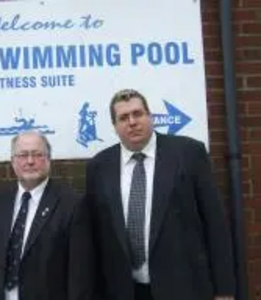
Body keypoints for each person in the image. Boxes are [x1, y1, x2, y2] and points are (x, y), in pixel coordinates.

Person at [86, 89, 235, 300]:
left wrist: (224, 290)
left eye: (137, 114)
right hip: (124, 290)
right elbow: (95, 235)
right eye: (123, 118)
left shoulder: (189, 153)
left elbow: (215, 224)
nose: (132, 122)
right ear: (115, 126)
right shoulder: (99, 167)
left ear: (150, 117)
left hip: (184, 287)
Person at [0, 130, 94, 300]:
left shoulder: (72, 204)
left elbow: (79, 273)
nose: (30, 161)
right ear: (12, 162)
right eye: (22, 155)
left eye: (37, 154)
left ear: (49, 159)